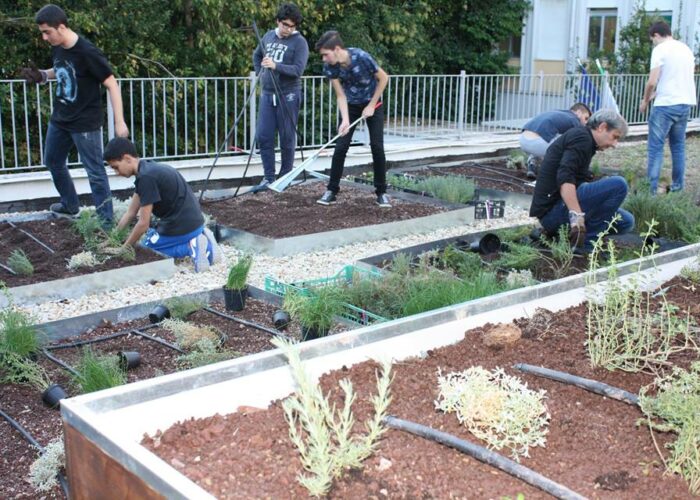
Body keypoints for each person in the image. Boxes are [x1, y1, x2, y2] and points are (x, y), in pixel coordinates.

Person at [21, 4, 129, 226]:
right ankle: (70, 205)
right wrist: (42, 75)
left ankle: (107, 223)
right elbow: (61, 70)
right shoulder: (59, 46)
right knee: (52, 161)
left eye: (46, 32)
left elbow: (112, 84)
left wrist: (119, 122)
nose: (44, 37)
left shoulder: (88, 52)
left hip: (85, 123)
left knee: (95, 172)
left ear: (61, 27)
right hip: (60, 119)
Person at [103, 138, 221, 273]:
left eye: (115, 167)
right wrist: (112, 239)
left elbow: (143, 224)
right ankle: (206, 243)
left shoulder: (146, 178)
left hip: (183, 227)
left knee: (147, 248)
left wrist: (124, 248)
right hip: (196, 224)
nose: (116, 172)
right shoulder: (148, 170)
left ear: (127, 158)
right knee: (151, 236)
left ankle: (191, 246)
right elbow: (130, 212)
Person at [529, 109, 634, 251]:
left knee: (626, 221)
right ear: (602, 127)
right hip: (551, 213)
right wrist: (577, 218)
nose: (615, 144)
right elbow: (565, 177)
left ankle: (565, 236)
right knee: (619, 185)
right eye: (614, 137)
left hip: (559, 212)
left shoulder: (586, 141)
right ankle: (585, 244)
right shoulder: (581, 138)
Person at [314, 31, 391, 207]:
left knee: (377, 147)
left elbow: (384, 78)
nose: (324, 59)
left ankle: (381, 193)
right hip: (351, 105)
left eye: (326, 54)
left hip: (373, 104)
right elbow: (340, 95)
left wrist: (371, 105)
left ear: (337, 49)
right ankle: (332, 190)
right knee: (341, 147)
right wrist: (345, 119)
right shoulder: (330, 67)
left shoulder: (361, 57)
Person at [250, 3, 308, 192]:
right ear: (278, 21)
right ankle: (268, 177)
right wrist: (262, 74)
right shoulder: (268, 36)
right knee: (264, 135)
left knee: (287, 137)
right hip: (268, 94)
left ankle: (285, 179)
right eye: (285, 25)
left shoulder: (299, 42)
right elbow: (257, 55)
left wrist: (275, 66)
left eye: (292, 26)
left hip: (288, 94)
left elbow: (298, 70)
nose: (288, 29)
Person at [640, 21, 697, 194]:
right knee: (678, 147)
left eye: (653, 40)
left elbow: (652, 81)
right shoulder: (685, 49)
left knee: (655, 148)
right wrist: (660, 90)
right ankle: (678, 188)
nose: (653, 43)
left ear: (656, 35)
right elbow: (679, 77)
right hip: (684, 103)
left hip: (665, 106)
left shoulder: (660, 50)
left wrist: (645, 100)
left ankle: (650, 192)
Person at [519, 103, 591, 179]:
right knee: (571, 141)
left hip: (523, 140)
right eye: (586, 118)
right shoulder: (574, 120)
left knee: (553, 135)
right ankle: (555, 173)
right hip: (538, 145)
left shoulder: (557, 112)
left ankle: (532, 164)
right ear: (578, 112)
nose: (586, 123)